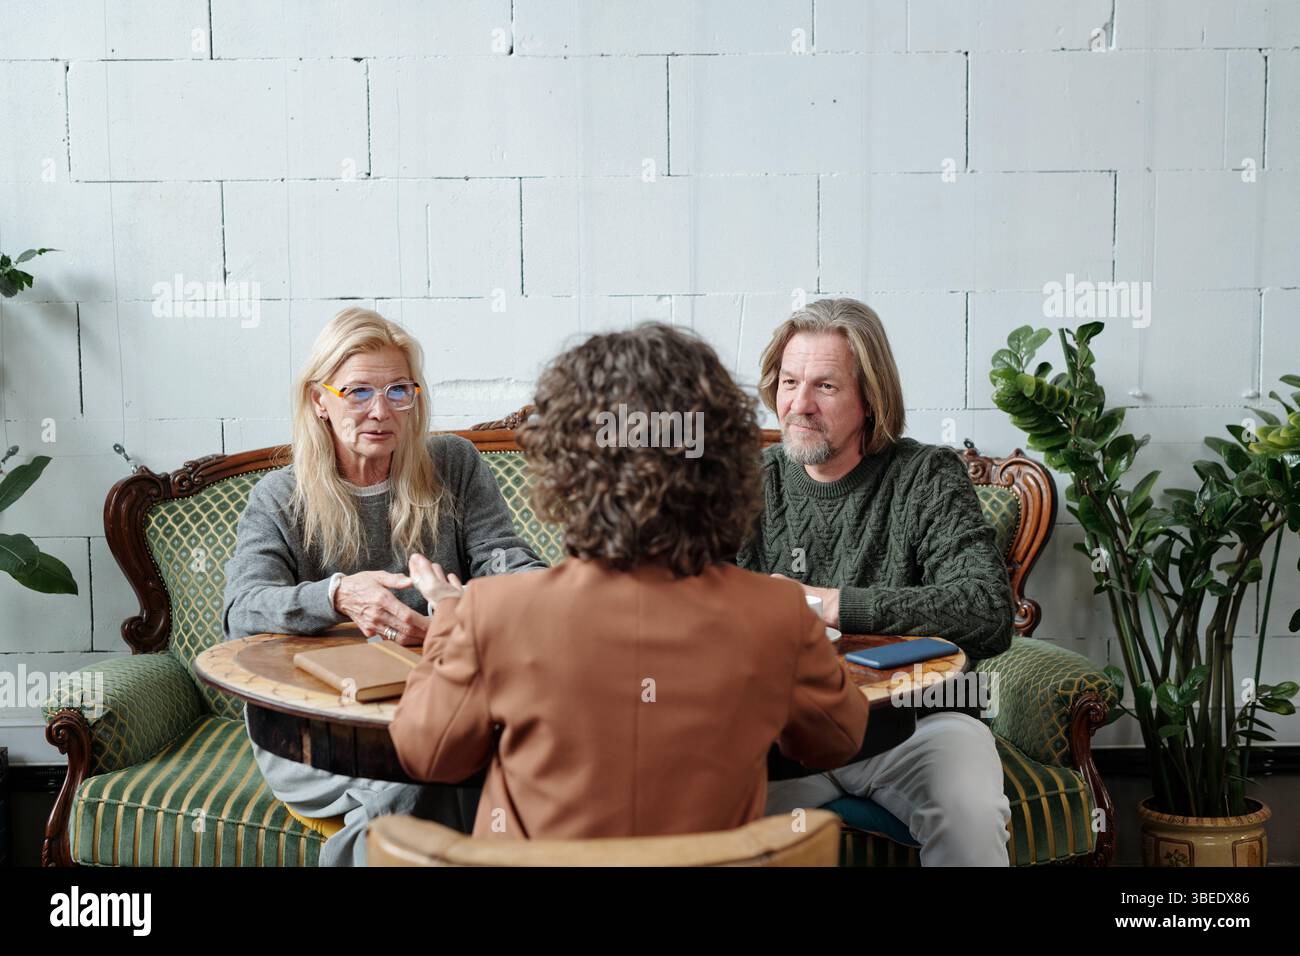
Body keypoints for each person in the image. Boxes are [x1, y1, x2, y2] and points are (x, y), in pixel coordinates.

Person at [389, 323, 870, 839]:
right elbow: (837, 740)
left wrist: (449, 615)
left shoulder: (489, 612)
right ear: (720, 467)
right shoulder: (779, 613)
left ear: (569, 469)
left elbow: (427, 754)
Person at [221, 307, 546, 866]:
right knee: (445, 764)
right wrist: (337, 594)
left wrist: (462, 609)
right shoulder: (280, 496)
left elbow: (509, 563)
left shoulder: (453, 464)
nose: (380, 410)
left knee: (465, 751)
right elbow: (242, 610)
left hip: (433, 705)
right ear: (319, 401)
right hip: (314, 729)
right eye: (358, 392)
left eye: (399, 390)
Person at [737, 297, 1016, 866]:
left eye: (827, 387)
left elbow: (987, 608)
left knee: (970, 816)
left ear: (871, 400)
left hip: (918, 726)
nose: (800, 404)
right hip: (783, 741)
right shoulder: (745, 484)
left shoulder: (927, 477)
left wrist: (830, 605)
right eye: (790, 382)